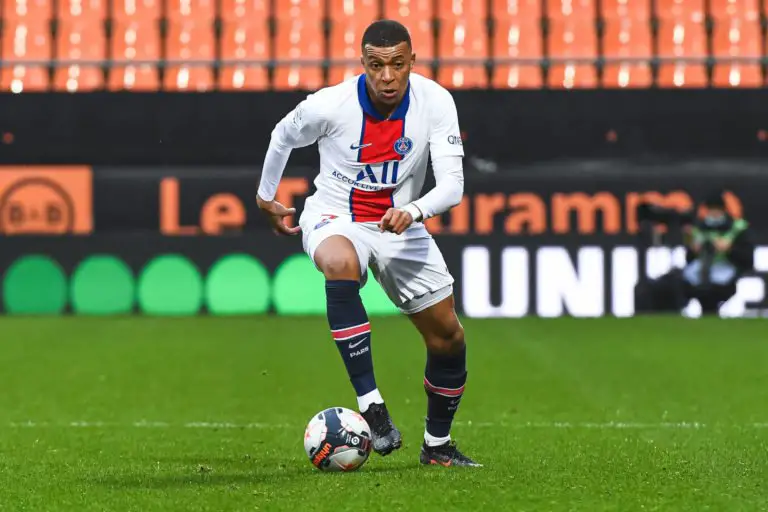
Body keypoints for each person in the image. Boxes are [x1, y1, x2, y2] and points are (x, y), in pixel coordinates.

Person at [256, 19, 479, 467]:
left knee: (448, 338)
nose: (387, 76)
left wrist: (413, 211)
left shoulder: (436, 102)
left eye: (397, 64)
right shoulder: (330, 105)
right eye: (376, 65)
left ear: (412, 61)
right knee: (340, 263)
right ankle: (372, 406)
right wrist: (266, 197)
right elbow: (282, 135)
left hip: (400, 222)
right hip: (335, 215)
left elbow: (452, 186)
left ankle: (437, 447)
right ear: (363, 64)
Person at [634, 191, 754, 315]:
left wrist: (729, 249)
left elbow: (747, 259)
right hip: (699, 271)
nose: (713, 214)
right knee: (674, 283)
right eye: (711, 210)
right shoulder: (699, 227)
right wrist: (693, 249)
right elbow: (689, 258)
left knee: (710, 291)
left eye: (717, 210)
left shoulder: (737, 228)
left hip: (724, 270)